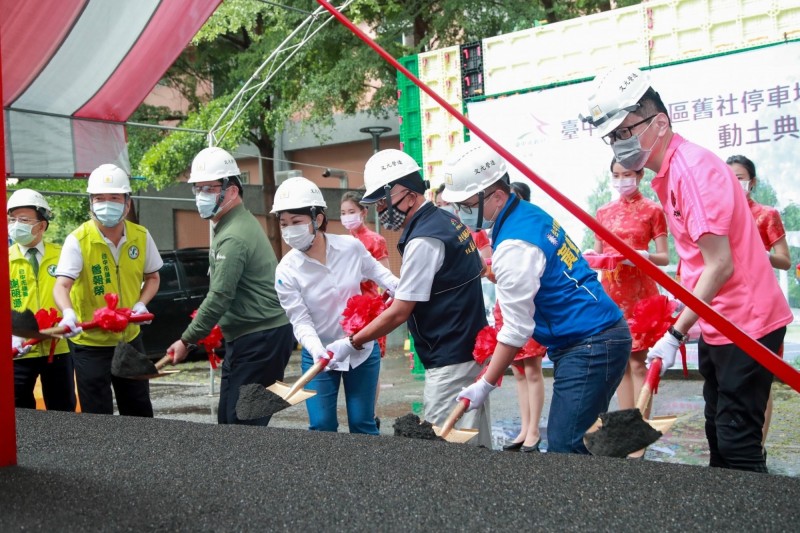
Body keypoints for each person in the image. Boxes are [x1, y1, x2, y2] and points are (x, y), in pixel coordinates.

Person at [582, 65, 792, 472]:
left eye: (626, 132)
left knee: (737, 440)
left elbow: (720, 264)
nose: (619, 144)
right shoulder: (673, 172)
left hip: (745, 323)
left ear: (659, 122)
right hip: (720, 320)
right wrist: (688, 322)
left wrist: (676, 332)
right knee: (719, 429)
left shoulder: (692, 171)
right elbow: (698, 263)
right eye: (613, 137)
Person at [444, 140, 631, 455]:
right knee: (576, 438)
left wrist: (485, 383)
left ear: (497, 196)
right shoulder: (526, 215)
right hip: (593, 335)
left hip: (591, 342)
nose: (461, 213)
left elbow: (517, 328)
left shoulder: (516, 244)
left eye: (466, 204)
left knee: (566, 444)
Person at [325, 149, 492, 448]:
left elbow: (400, 312)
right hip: (471, 348)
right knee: (474, 440)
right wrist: (418, 287)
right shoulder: (448, 220)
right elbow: (477, 267)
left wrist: (352, 342)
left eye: (382, 202)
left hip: (449, 356)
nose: (380, 210)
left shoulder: (423, 238)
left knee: (446, 449)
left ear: (408, 194)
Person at [167, 147, 293, 426]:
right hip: (249, 338)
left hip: (261, 339)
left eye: (208, 189)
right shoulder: (230, 227)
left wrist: (187, 339)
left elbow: (220, 296)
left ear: (232, 191)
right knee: (228, 422)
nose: (201, 196)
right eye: (197, 189)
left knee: (243, 426)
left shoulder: (234, 236)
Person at [275, 178, 399, 434]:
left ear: (317, 219)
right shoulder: (286, 270)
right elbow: (300, 320)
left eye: (296, 222)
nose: (289, 230)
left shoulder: (350, 247)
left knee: (362, 423)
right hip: (319, 353)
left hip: (361, 348)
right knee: (321, 426)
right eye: (283, 224)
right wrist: (317, 350)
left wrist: (405, 290)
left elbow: (381, 274)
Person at [53, 165, 162, 416]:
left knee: (138, 409)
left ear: (127, 203)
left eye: (114, 198)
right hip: (90, 344)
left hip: (130, 339)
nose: (106, 204)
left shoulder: (141, 236)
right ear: (90, 203)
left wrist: (141, 303)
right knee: (97, 414)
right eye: (99, 198)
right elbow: (62, 285)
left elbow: (153, 277)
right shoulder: (78, 240)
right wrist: (68, 313)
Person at [593, 159, 669, 456]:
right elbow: (597, 256)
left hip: (640, 294)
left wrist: (641, 255)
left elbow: (663, 257)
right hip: (611, 293)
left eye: (627, 174)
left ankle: (640, 431)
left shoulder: (653, 210)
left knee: (639, 362)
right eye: (616, 175)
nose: (622, 180)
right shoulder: (603, 212)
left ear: (639, 175)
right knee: (620, 363)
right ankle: (625, 428)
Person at [726, 154, 791, 455]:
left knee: (760, 380)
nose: (734, 182)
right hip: (728, 308)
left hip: (763, 309)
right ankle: (737, 443)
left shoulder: (766, 214)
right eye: (729, 177)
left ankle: (757, 448)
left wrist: (761, 255)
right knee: (733, 380)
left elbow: (786, 261)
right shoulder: (719, 215)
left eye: (740, 177)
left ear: (751, 181)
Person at [8, 189, 74, 411]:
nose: (17, 224)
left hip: (58, 346)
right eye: (13, 219)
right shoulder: (5, 259)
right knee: (20, 411)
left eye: (24, 219)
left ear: (42, 225)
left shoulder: (63, 255)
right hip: (19, 349)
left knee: (62, 409)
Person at [496, 180, 548, 453]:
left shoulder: (527, 229)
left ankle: (534, 430)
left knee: (533, 370)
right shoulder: (497, 233)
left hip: (529, 307)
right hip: (505, 306)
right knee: (517, 371)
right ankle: (525, 427)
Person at [340, 190, 390, 430]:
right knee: (350, 361)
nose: (347, 217)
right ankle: (361, 413)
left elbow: (386, 280)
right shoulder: (341, 242)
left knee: (370, 365)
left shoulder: (375, 241)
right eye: (343, 213)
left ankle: (370, 413)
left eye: (351, 212)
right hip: (348, 312)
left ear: (363, 212)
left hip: (370, 311)